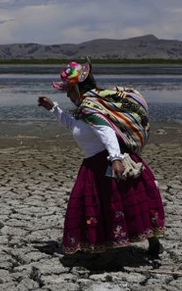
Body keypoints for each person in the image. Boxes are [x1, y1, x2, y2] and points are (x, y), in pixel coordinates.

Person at [37, 59, 165, 268]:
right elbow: (76, 127)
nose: (68, 95)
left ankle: (109, 253)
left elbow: (106, 130)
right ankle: (151, 242)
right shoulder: (88, 107)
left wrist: (115, 159)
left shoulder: (89, 107)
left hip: (104, 164)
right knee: (132, 203)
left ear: (78, 87)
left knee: (108, 207)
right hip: (98, 161)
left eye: (69, 90)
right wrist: (53, 109)